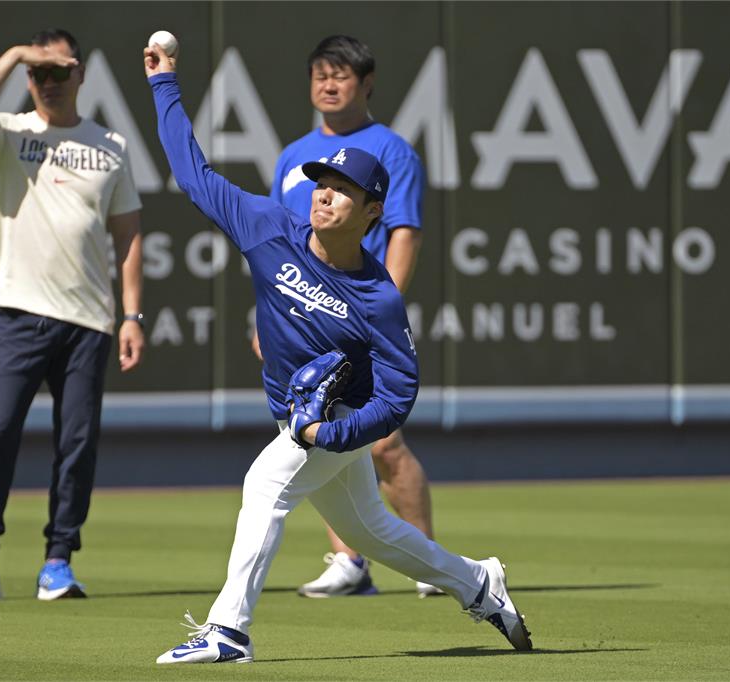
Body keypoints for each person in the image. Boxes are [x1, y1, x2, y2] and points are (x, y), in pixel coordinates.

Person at [144, 40, 532, 664]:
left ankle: (227, 632)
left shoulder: (377, 297)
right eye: (322, 182)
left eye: (343, 189)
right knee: (368, 532)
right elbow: (193, 175)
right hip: (298, 413)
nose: (324, 195)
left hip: (329, 422)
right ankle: (477, 581)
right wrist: (165, 86)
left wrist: (335, 432)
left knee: (264, 483)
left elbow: (399, 393)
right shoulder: (270, 228)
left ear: (372, 212)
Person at [0, 28, 145, 601]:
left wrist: (134, 316)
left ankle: (58, 560)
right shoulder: (9, 133)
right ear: (29, 77)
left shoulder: (112, 144)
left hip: (89, 322)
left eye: (60, 72)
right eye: (40, 74)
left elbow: (127, 235)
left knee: (76, 443)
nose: (50, 83)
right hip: (20, 313)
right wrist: (12, 57)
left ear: (82, 74)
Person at [265, 34, 440, 599]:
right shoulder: (295, 157)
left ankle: (426, 562)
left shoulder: (391, 150)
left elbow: (405, 234)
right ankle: (349, 563)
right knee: (319, 433)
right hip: (300, 319)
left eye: (341, 75)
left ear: (366, 84)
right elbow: (276, 248)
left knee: (384, 444)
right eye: (320, 74)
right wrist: (265, 319)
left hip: (358, 317)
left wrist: (374, 315)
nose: (328, 84)